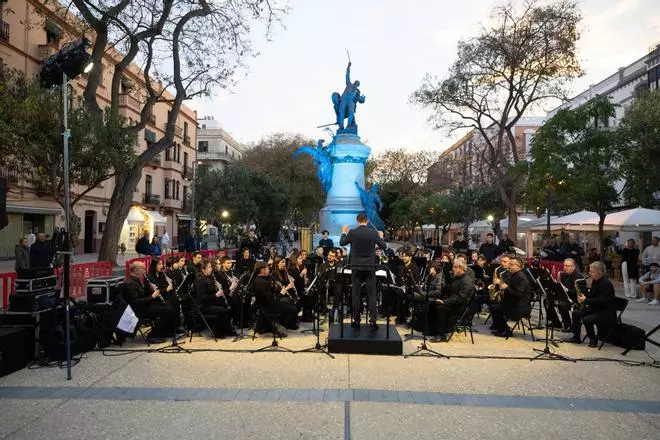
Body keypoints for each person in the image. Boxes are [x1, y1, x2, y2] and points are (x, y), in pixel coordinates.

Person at [340, 212, 387, 332]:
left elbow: (342, 243)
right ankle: (372, 322)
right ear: (367, 220)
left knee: (356, 294)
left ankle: (356, 321)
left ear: (357, 221)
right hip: (370, 267)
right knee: (372, 295)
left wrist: (344, 231)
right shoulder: (373, 233)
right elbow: (384, 246)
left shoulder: (353, 232)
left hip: (355, 267)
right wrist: (381, 236)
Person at [563, 261, 616, 347]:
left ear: (600, 272)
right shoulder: (595, 281)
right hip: (596, 308)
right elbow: (593, 295)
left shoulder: (606, 284)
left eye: (592, 271)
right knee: (575, 313)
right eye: (590, 271)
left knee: (587, 319)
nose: (589, 273)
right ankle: (576, 337)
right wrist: (584, 295)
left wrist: (586, 300)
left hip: (605, 312)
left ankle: (593, 338)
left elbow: (602, 300)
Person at [122, 261, 177, 340]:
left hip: (144, 306)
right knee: (167, 311)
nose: (145, 271)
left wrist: (152, 290)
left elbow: (142, 295)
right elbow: (136, 302)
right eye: (143, 269)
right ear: (137, 270)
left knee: (169, 305)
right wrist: (152, 297)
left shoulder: (136, 280)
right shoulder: (130, 283)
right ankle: (153, 335)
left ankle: (164, 332)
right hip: (139, 310)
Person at [431, 258, 473, 342]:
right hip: (455, 302)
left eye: (454, 267)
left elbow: (460, 298)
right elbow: (453, 289)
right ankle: (434, 329)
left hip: (461, 307)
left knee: (440, 308)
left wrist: (444, 302)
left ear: (460, 268)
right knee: (432, 303)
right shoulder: (458, 277)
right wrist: (444, 287)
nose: (452, 269)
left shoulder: (466, 281)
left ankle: (441, 335)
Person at [252, 262, 299, 334]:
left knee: (288, 303)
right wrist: (283, 292)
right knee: (294, 309)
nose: (269, 270)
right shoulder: (262, 283)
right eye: (267, 268)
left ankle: (275, 324)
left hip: (264, 305)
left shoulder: (259, 279)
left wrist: (276, 287)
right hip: (268, 307)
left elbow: (270, 293)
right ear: (262, 270)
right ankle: (280, 325)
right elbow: (272, 301)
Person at [488, 257, 531, 337]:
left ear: (517, 266)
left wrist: (506, 288)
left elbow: (518, 294)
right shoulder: (514, 275)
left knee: (494, 308)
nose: (509, 266)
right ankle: (500, 328)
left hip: (519, 307)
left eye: (511, 264)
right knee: (494, 305)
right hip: (513, 303)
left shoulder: (520, 277)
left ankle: (506, 331)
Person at [194, 259, 236, 338]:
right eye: (209, 267)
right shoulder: (200, 281)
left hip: (210, 302)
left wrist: (228, 290)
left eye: (211, 267)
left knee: (227, 304)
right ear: (203, 270)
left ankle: (226, 329)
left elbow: (214, 293)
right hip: (203, 306)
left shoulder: (209, 278)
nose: (211, 269)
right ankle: (219, 332)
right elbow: (203, 299)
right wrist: (216, 295)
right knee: (223, 310)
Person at [555, 258, 584, 332]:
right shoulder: (563, 274)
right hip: (564, 297)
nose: (565, 267)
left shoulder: (579, 277)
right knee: (547, 300)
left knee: (562, 305)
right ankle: (555, 322)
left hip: (574, 299)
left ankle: (568, 325)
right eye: (564, 265)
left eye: (567, 266)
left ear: (573, 267)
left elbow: (579, 292)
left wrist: (567, 290)